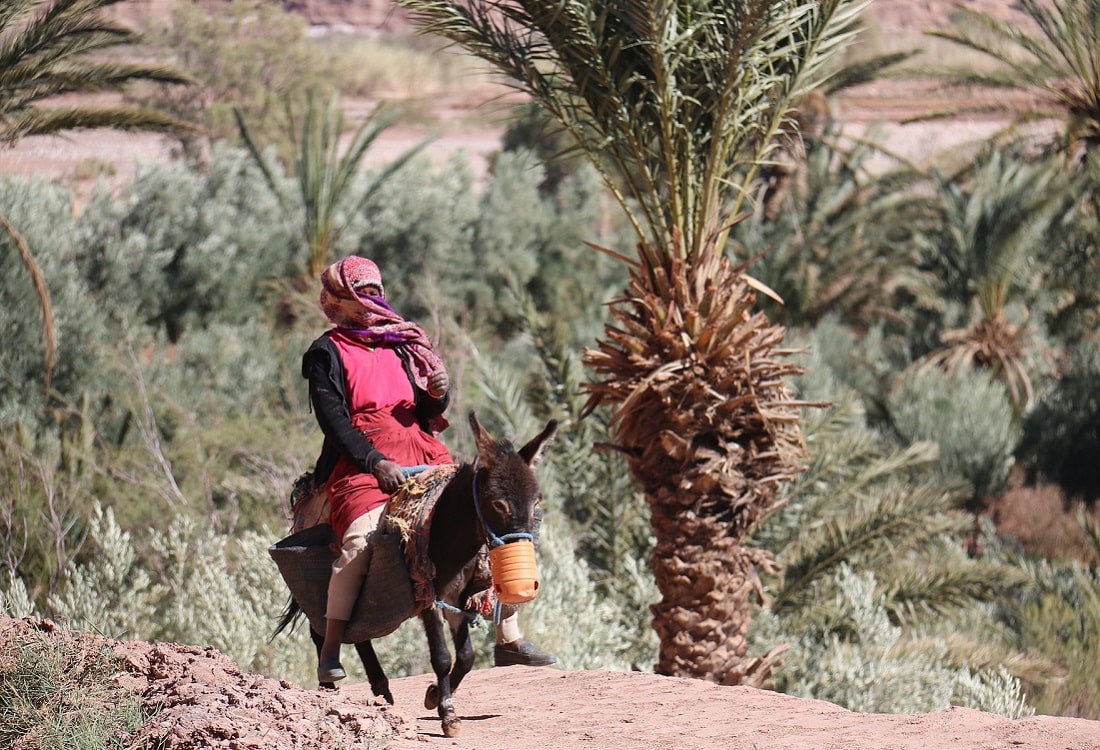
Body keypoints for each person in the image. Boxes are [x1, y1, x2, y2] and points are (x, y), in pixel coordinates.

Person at [303, 255, 555, 683]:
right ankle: (330, 649)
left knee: (479, 519)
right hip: (360, 463)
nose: (370, 303)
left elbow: (423, 409)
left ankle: (509, 635)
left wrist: (438, 395)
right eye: (361, 295)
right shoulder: (326, 352)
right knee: (360, 541)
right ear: (339, 300)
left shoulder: (400, 344)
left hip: (423, 451)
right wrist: (374, 462)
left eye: (375, 294)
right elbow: (334, 420)